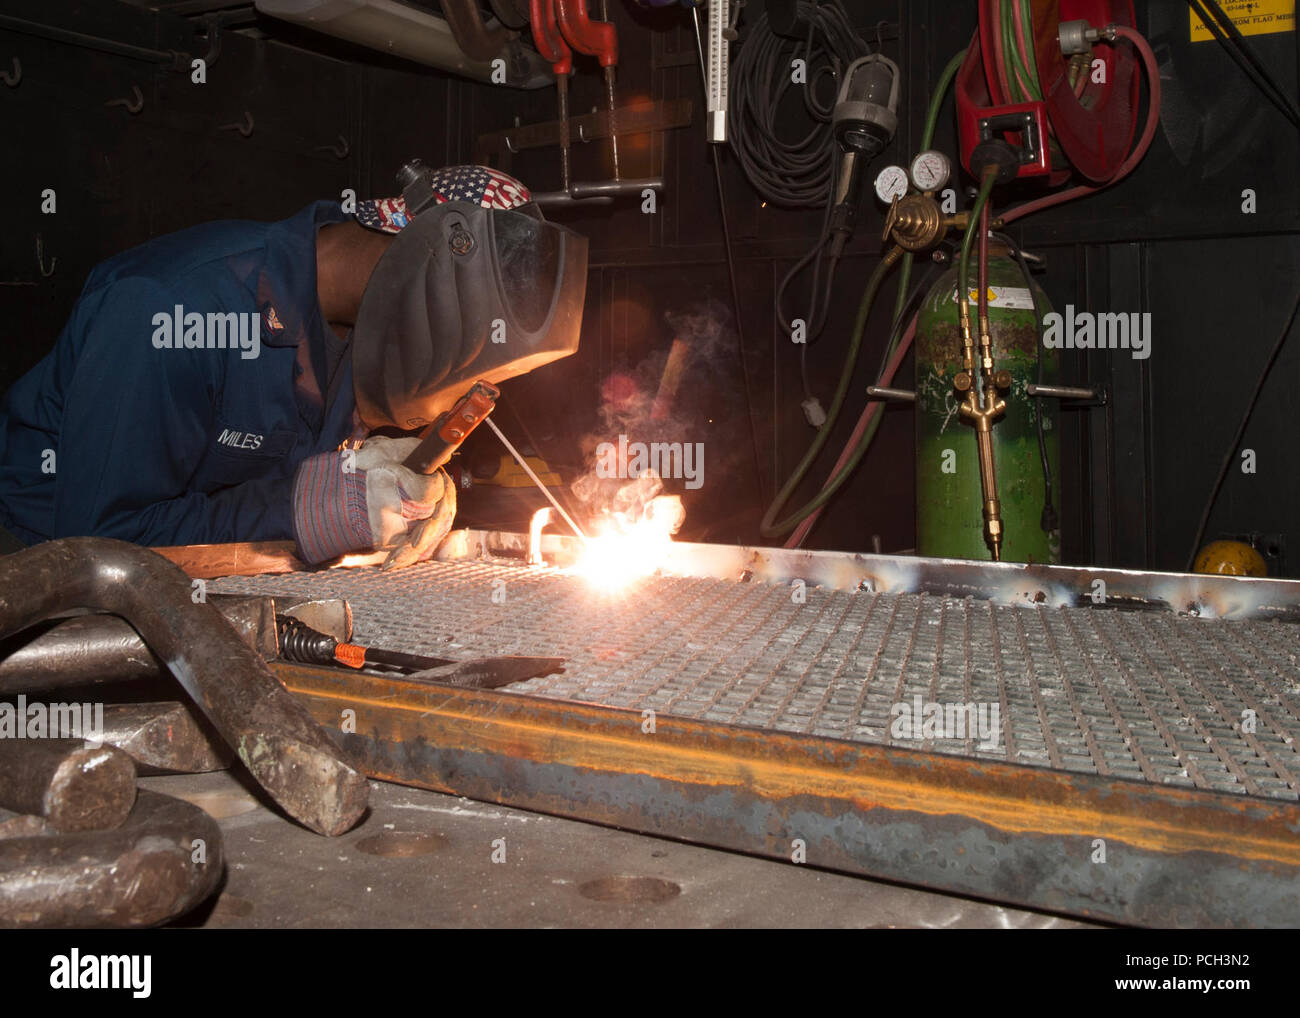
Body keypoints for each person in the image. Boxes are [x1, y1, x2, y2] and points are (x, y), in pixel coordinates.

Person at [0, 163, 588, 568]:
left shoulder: (367, 334)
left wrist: (408, 491)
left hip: (217, 578)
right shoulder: (172, 307)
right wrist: (311, 510)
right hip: (37, 582)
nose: (453, 396)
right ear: (428, 267)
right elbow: (102, 549)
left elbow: (310, 480)